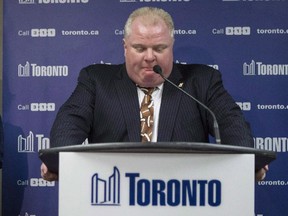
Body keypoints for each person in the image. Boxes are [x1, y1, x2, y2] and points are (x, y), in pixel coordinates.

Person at [41, 7, 268, 181]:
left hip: (183, 197)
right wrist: (59, 162)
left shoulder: (201, 80)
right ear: (125, 47)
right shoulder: (97, 80)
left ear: (172, 46)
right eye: (140, 48)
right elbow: (69, 122)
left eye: (159, 48)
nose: (150, 57)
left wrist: (246, 162)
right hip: (114, 193)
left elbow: (230, 122)